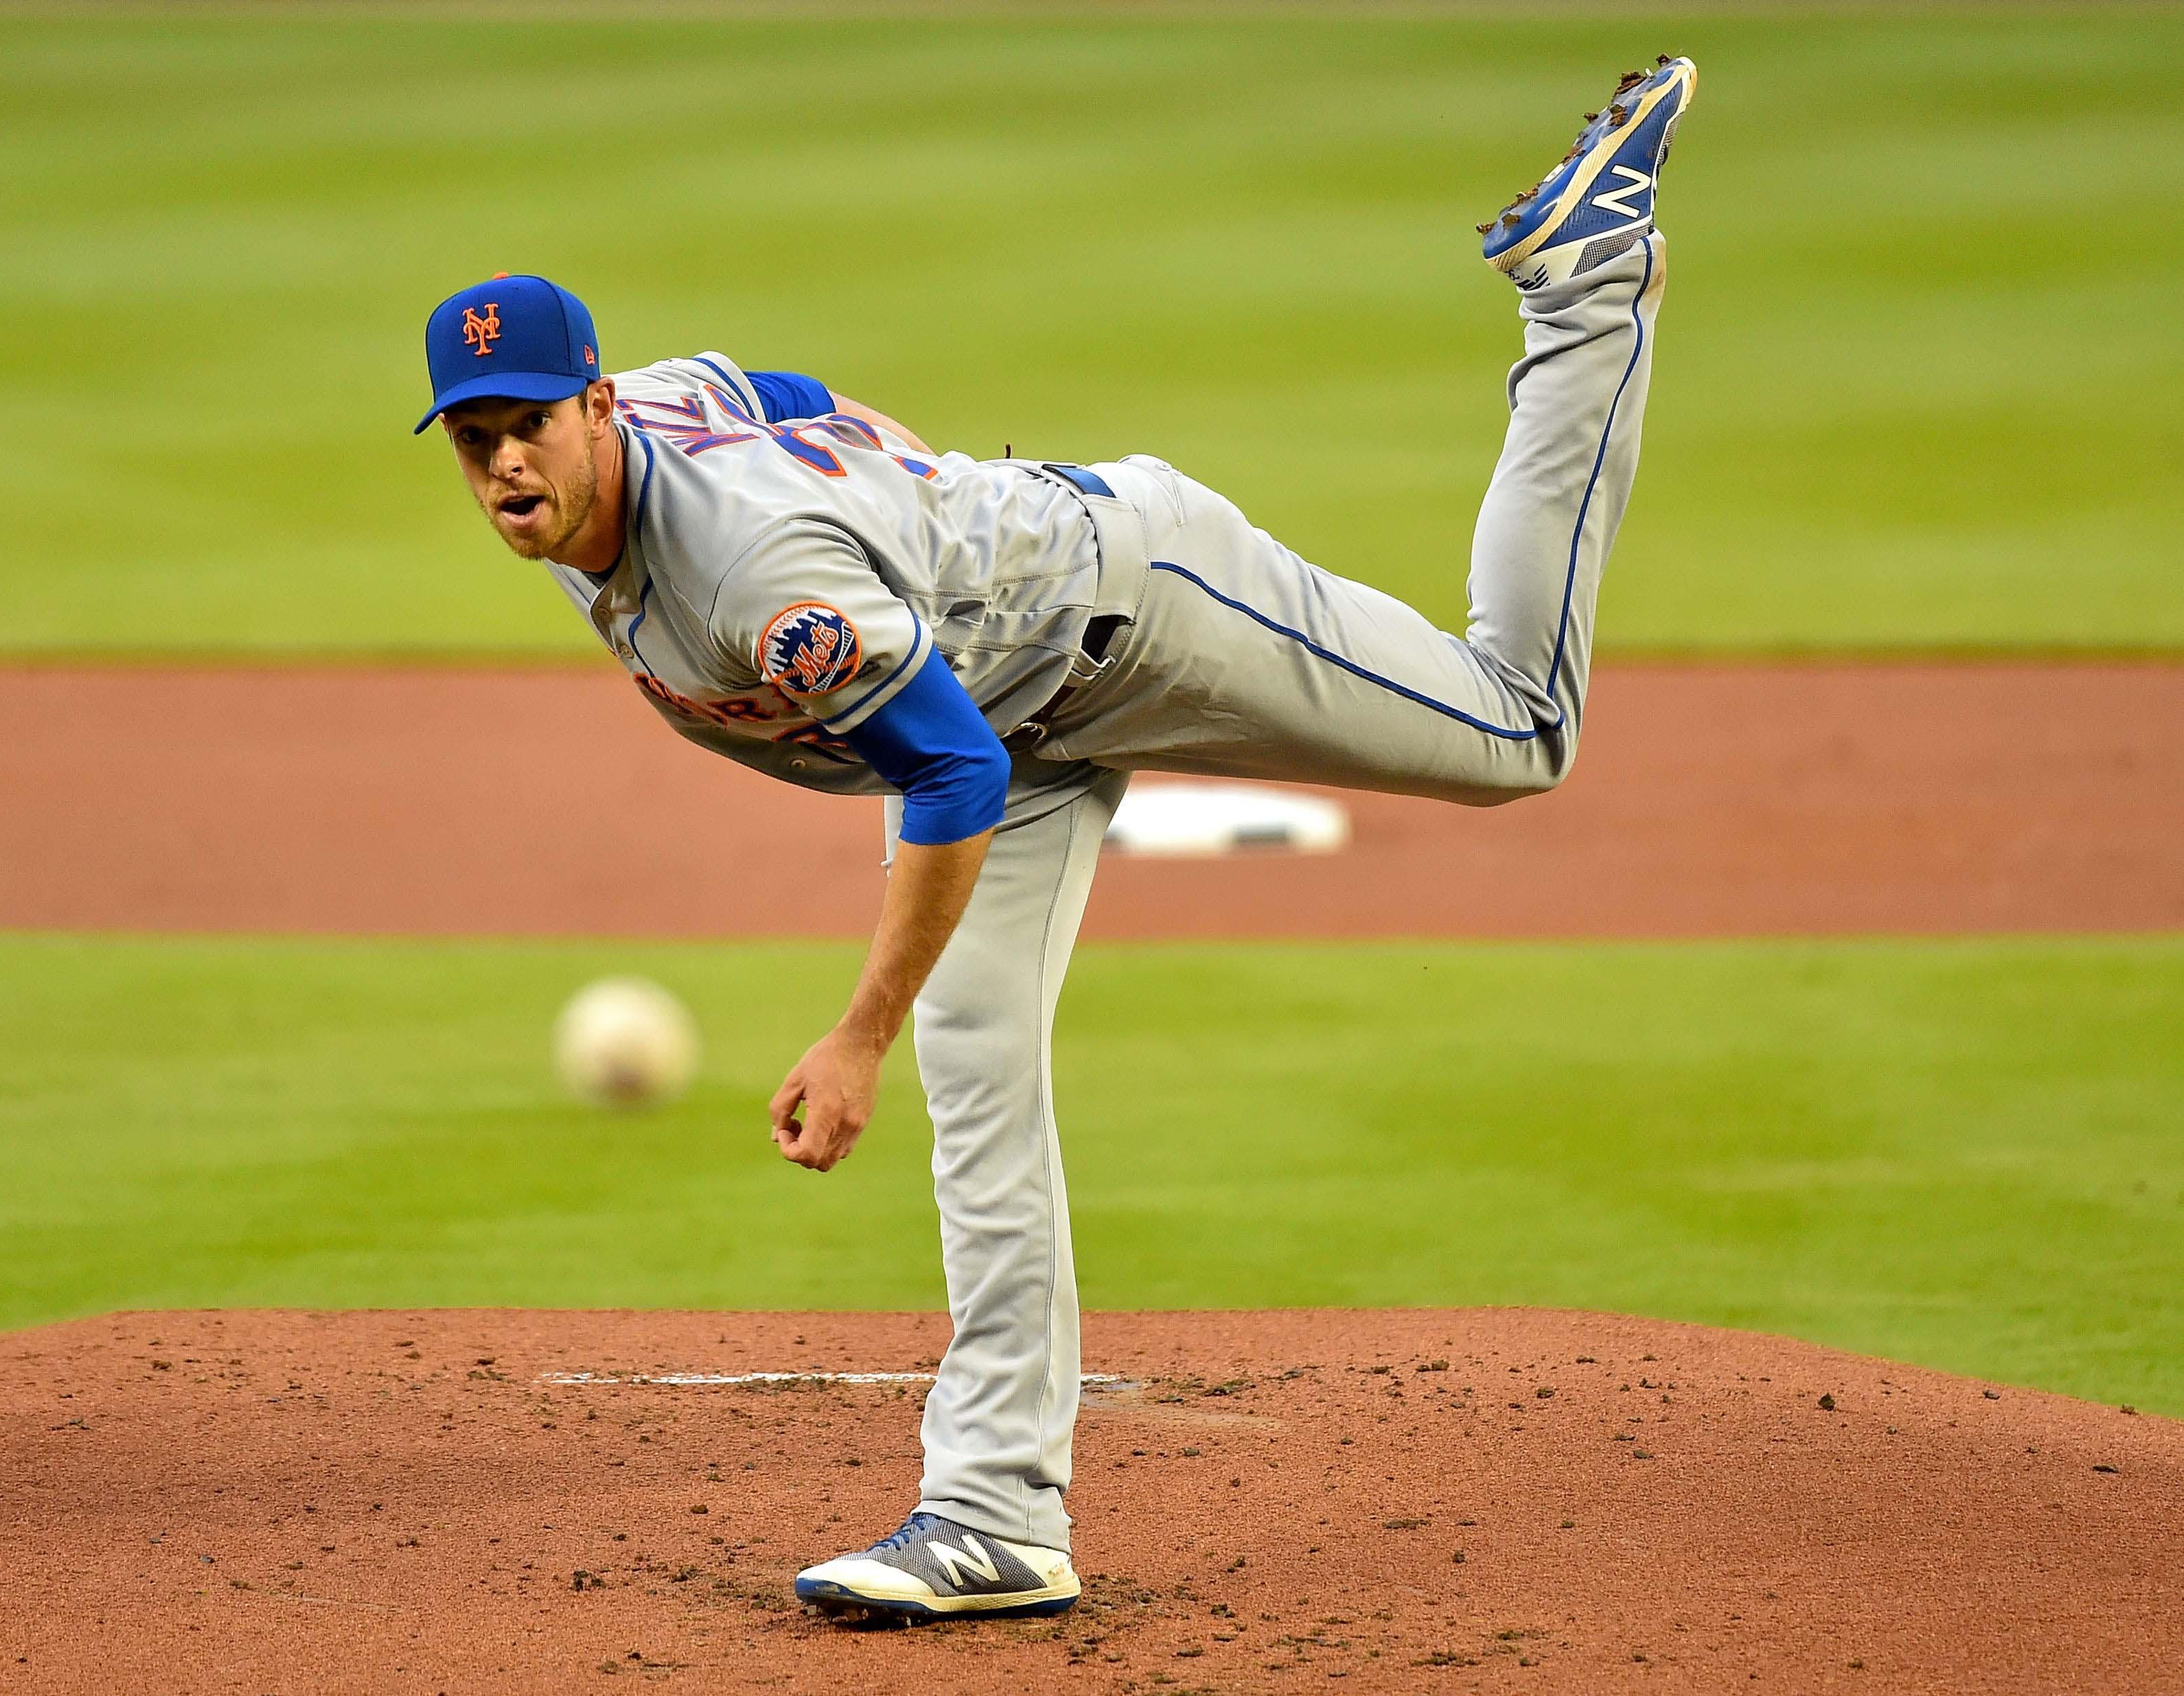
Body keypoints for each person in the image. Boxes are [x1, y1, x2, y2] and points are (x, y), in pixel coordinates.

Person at [415, 56, 1696, 1621]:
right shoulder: (609, 469)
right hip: (1009, 689)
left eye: (528, 426)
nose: (504, 469)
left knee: (1515, 732)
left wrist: (854, 1029)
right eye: (472, 441)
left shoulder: (763, 583)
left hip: (1136, 610)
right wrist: (915, 502)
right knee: (983, 1068)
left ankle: (1588, 281)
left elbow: (944, 766)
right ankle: (996, 1512)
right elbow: (778, 396)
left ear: (598, 403)